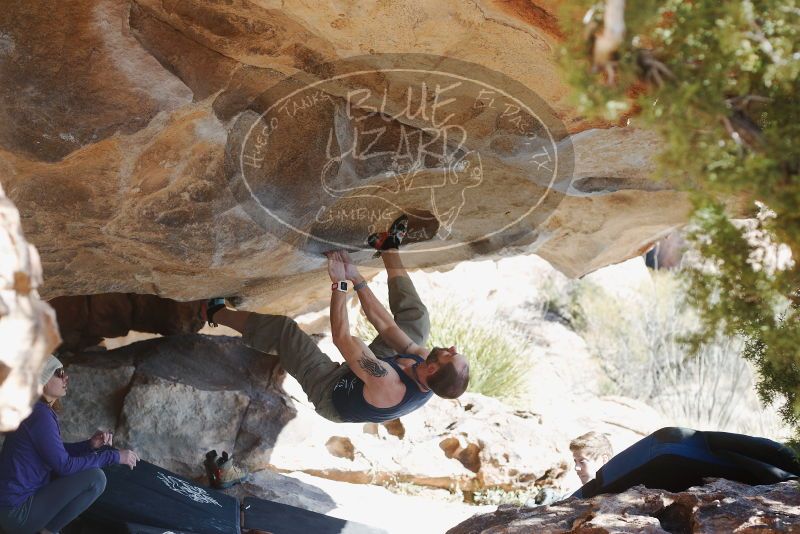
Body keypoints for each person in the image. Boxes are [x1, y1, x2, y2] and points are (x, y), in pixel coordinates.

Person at [205, 216, 470, 423]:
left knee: (284, 331)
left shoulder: (389, 383)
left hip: (332, 391)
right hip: (373, 371)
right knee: (418, 324)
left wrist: (340, 285)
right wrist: (357, 279)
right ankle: (388, 247)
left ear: (434, 370)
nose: (452, 348)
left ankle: (213, 312)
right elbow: (387, 326)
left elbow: (342, 337)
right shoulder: (425, 361)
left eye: (451, 355)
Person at [0, 355, 140, 534]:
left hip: (10, 506)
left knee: (88, 472)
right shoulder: (40, 415)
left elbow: (53, 454)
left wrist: (89, 446)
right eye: (59, 373)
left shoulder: (34, 410)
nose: (66, 378)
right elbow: (64, 466)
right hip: (16, 513)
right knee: (95, 478)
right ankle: (49, 531)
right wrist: (114, 456)